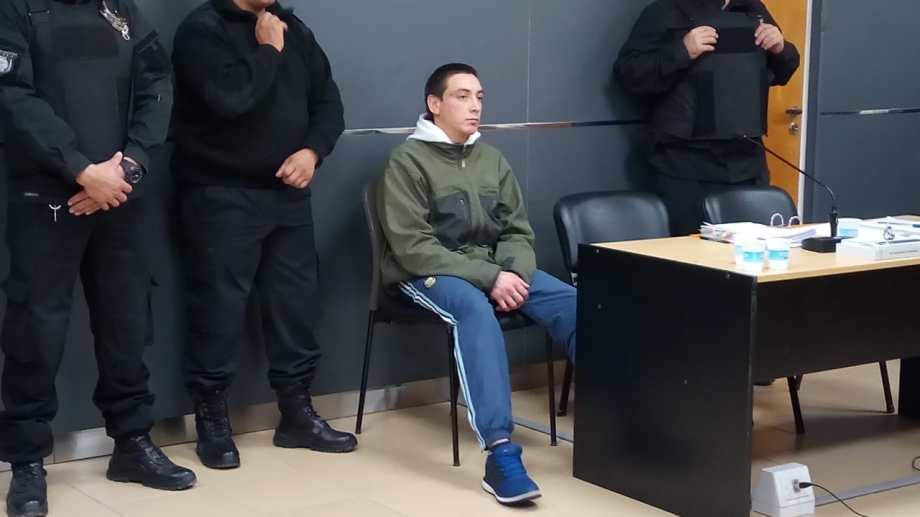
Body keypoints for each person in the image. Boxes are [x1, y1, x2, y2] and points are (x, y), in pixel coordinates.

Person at [0, 0, 197, 515]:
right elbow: (12, 96)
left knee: (127, 322)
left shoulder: (120, 8)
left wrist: (129, 167)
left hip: (120, 196)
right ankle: (26, 462)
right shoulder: (16, 10)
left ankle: (131, 443)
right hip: (45, 197)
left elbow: (157, 84)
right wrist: (81, 170)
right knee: (35, 331)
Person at [377, 63, 577, 505]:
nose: (475, 106)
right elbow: (413, 247)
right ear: (434, 104)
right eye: (462, 96)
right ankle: (500, 453)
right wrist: (491, 278)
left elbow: (518, 231)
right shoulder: (406, 161)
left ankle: (621, 424)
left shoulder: (492, 159)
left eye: (480, 97)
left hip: (494, 268)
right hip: (424, 274)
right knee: (473, 309)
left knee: (573, 302)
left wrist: (511, 273)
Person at [170, 0, 356, 471]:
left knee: (295, 306)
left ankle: (296, 413)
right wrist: (268, 49)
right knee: (217, 309)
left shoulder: (295, 29)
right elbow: (230, 100)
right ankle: (212, 419)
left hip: (287, 198)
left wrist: (312, 152)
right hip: (220, 194)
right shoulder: (201, 31)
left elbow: (328, 103)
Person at [615, 0, 800, 235]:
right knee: (690, 253)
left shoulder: (753, 9)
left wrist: (781, 48)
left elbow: (783, 72)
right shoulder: (666, 10)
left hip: (747, 164)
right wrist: (682, 51)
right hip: (686, 166)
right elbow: (629, 74)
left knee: (752, 249)